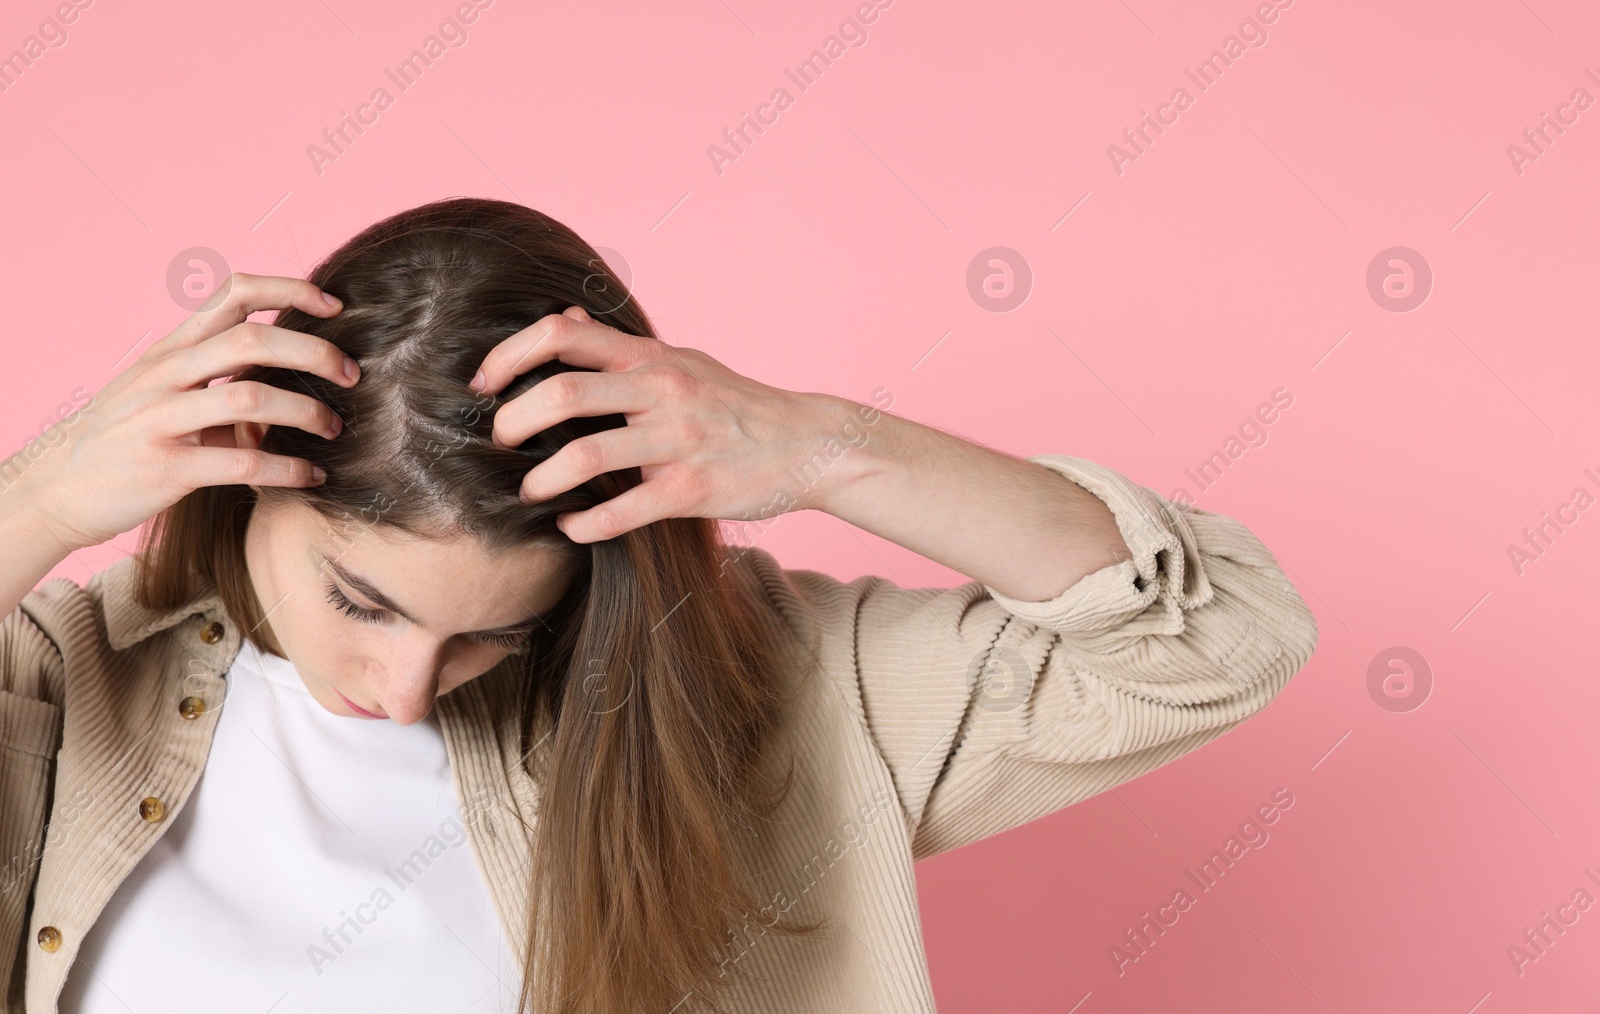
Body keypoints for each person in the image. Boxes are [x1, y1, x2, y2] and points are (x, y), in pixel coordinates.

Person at [0, 197, 1319, 1014]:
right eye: (362, 598)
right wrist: (43, 498)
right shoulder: (58, 689)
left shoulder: (759, 695)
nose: (402, 691)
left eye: (490, 637)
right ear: (248, 477)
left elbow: (1218, 638)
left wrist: (827, 447)